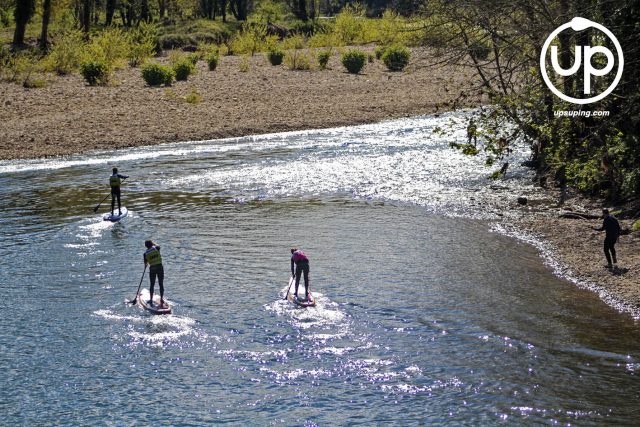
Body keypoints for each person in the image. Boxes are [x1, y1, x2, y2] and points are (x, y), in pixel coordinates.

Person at [144, 240, 165, 306]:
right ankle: (161, 298)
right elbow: (158, 245)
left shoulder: (145, 254)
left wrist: (146, 265)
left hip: (152, 268)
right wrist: (153, 244)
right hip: (159, 267)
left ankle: (151, 299)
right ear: (152, 244)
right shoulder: (156, 248)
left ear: (146, 246)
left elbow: (146, 264)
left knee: (152, 284)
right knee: (161, 283)